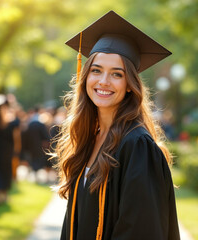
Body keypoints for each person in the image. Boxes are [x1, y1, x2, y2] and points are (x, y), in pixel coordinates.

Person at [52, 11, 180, 240]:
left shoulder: (138, 146)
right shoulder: (92, 138)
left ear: (130, 84)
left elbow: (141, 231)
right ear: (86, 76)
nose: (103, 81)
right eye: (97, 70)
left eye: (117, 74)